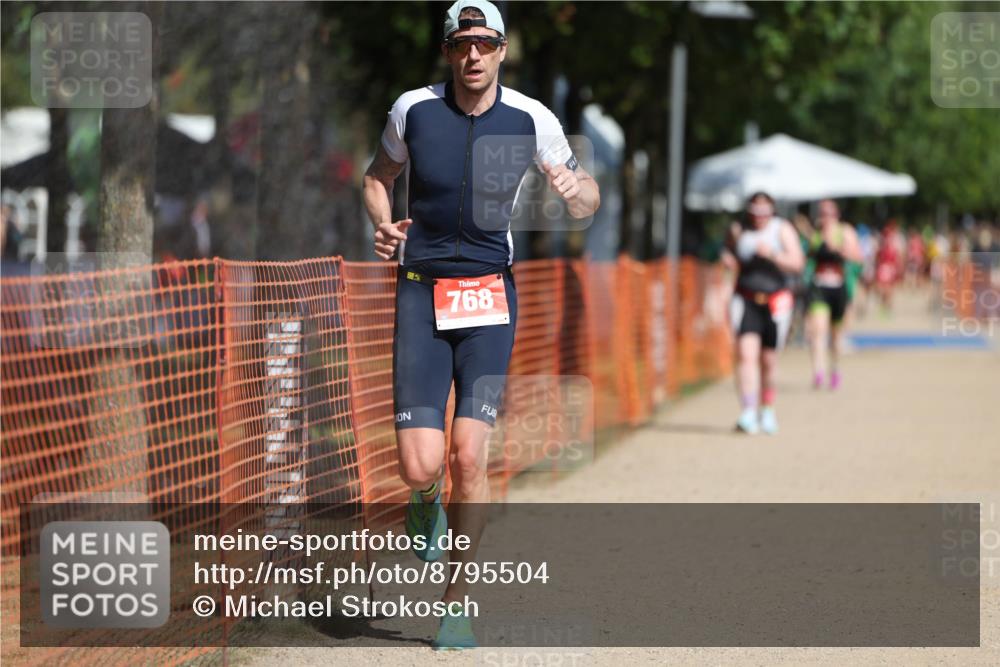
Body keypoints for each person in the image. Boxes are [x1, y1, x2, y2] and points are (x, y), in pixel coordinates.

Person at [362, 0, 599, 649]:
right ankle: (423, 494)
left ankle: (457, 600)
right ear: (447, 51)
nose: (474, 54)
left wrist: (573, 190)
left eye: (485, 43)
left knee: (471, 452)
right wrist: (382, 224)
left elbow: (587, 193)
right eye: (462, 43)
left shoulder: (532, 119)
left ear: (500, 50)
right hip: (420, 289)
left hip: (490, 297)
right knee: (420, 463)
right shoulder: (413, 109)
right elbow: (377, 178)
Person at [722, 193, 805, 435]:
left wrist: (772, 254)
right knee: (746, 356)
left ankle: (767, 409)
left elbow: (798, 263)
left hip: (775, 301)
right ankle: (748, 411)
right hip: (746, 299)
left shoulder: (782, 229)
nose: (759, 218)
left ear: (772, 211)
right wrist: (728, 260)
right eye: (755, 212)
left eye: (764, 212)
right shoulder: (739, 230)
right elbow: (727, 253)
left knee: (768, 361)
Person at [804, 199, 862, 390]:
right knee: (817, 331)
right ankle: (817, 372)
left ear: (836, 215)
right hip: (819, 287)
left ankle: (835, 368)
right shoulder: (816, 235)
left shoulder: (845, 232)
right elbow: (808, 258)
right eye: (822, 213)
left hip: (839, 288)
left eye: (829, 213)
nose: (825, 217)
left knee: (836, 336)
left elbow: (857, 257)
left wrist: (839, 250)